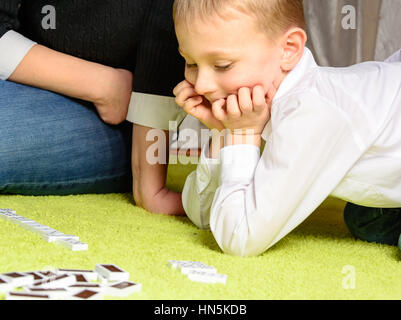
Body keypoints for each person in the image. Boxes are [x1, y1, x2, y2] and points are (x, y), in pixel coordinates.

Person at [172, 0, 401, 256]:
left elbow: (240, 237)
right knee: (365, 221)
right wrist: (222, 134)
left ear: (289, 49)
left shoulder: (311, 112)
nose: (201, 85)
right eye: (191, 63)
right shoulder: (265, 100)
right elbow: (205, 217)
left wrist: (241, 135)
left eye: (222, 65)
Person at [0, 0, 187, 215]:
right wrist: (104, 86)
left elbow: (164, 35)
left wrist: (149, 182)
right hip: (27, 75)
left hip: (129, 116)